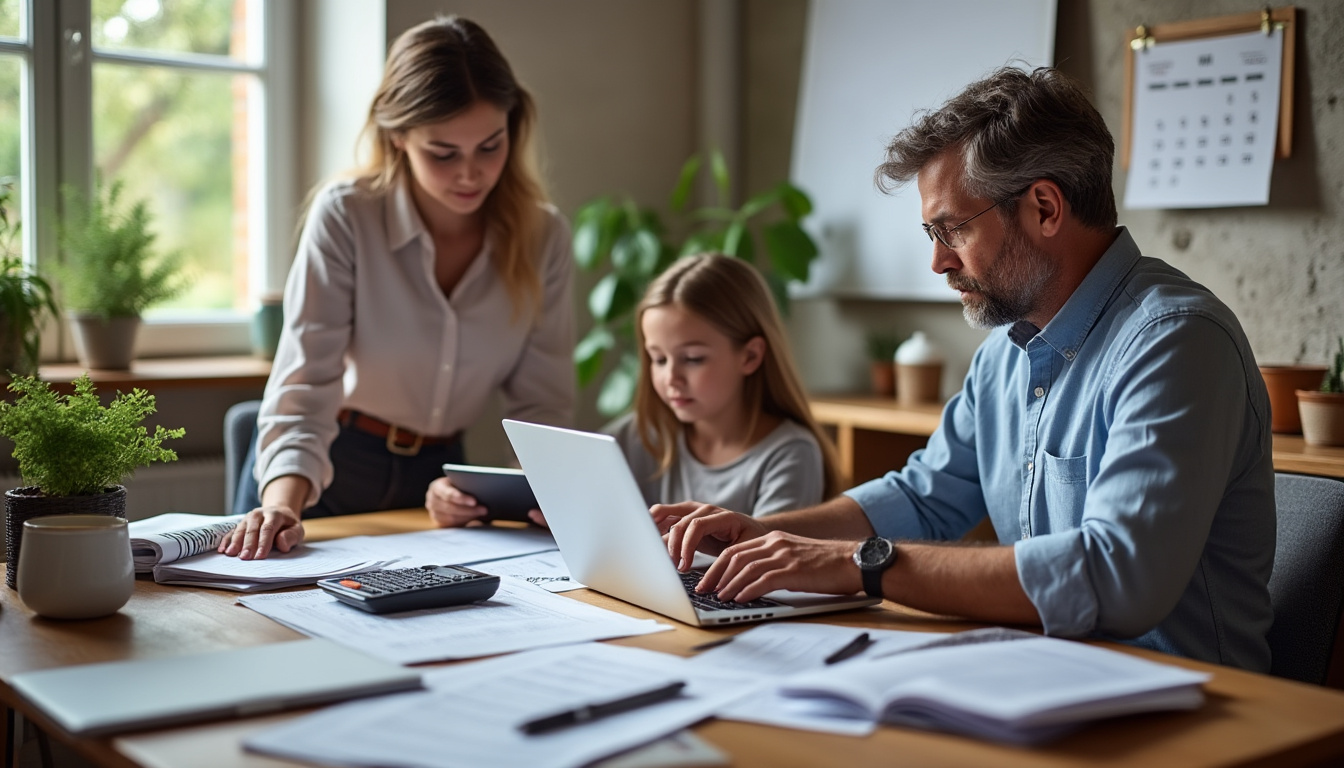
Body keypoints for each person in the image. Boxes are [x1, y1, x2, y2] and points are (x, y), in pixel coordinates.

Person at [660, 66, 1275, 671]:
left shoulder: (1175, 343)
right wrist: (760, 539)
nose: (937, 261)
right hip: (1048, 681)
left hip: (1195, 712)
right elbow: (922, 498)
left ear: (1044, 207)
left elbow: (1116, 577)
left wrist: (861, 563)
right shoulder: (1003, 357)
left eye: (952, 228)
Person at [220, 16, 573, 560]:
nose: (471, 174)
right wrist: (282, 506)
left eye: (490, 146)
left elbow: (542, 409)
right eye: (443, 153)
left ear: (513, 126)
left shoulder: (542, 236)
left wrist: (520, 494)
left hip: (440, 483)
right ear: (398, 135)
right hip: (326, 466)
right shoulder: (347, 216)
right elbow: (306, 383)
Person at [434, 253, 842, 528]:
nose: (670, 378)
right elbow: (552, 497)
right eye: (658, 359)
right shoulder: (639, 433)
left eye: (693, 358)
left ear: (750, 357)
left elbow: (769, 563)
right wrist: (461, 500)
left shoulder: (789, 453)